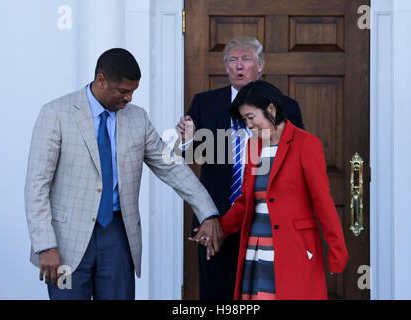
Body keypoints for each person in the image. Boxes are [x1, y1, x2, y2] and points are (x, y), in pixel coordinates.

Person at [24, 48, 223, 300]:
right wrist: (45, 245)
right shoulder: (56, 113)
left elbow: (171, 166)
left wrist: (208, 211)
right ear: (101, 81)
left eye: (132, 92)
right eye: (123, 91)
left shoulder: (137, 118)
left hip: (118, 236)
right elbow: (36, 185)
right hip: (65, 241)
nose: (128, 98)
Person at [193, 80, 349, 300]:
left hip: (293, 248)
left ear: (271, 109)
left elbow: (322, 202)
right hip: (257, 247)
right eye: (244, 120)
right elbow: (246, 202)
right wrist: (218, 229)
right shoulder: (253, 146)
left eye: (250, 117)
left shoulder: (306, 144)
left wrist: (337, 251)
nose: (249, 125)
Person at [176, 37, 304, 300]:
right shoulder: (204, 103)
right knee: (217, 294)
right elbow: (190, 157)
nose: (239, 66)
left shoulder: (286, 107)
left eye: (246, 59)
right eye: (233, 61)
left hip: (267, 221)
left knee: (264, 293)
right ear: (226, 68)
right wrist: (187, 139)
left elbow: (295, 166)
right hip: (215, 221)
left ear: (261, 65)